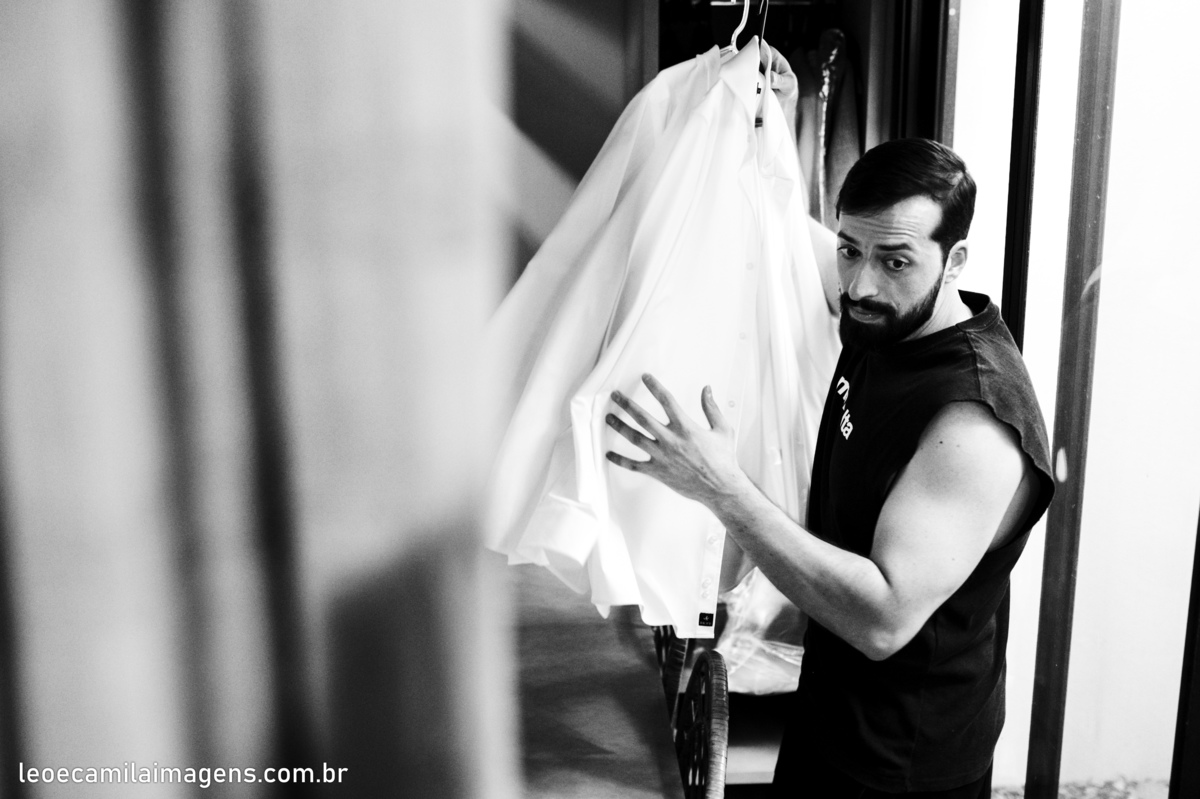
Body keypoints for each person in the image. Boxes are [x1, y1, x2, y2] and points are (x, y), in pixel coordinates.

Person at [603, 133, 1055, 796]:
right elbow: (775, 231)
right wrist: (749, 121)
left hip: (901, 763)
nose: (861, 284)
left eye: (895, 261)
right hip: (828, 713)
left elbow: (882, 619)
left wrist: (720, 487)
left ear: (954, 260)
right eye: (850, 251)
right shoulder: (885, 312)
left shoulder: (972, 425)